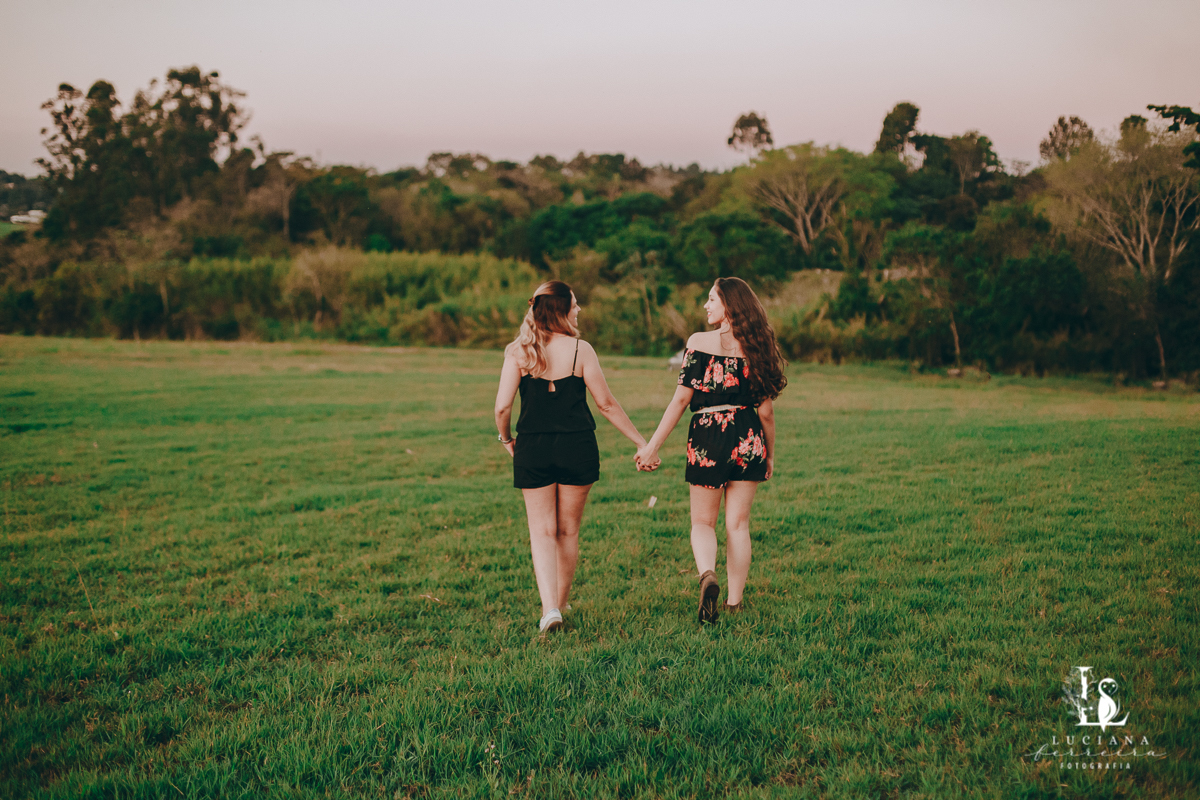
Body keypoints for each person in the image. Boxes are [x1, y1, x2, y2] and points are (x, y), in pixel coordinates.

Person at [495, 280, 653, 634]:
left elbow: (502, 406)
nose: (579, 310)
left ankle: (550, 608)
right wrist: (641, 442)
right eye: (575, 305)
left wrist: (506, 439)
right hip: (577, 447)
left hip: (533, 447)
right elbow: (607, 404)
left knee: (542, 532)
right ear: (561, 310)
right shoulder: (582, 350)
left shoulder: (519, 352)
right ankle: (561, 602)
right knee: (568, 531)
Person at [635, 277, 786, 623]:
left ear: (729, 305)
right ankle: (734, 601)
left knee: (703, 522)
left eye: (712, 299)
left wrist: (652, 446)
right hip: (749, 437)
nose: (706, 305)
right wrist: (769, 455)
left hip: (708, 434)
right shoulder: (757, 347)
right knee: (738, 524)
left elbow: (681, 399)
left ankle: (707, 575)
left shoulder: (699, 343)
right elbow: (766, 412)